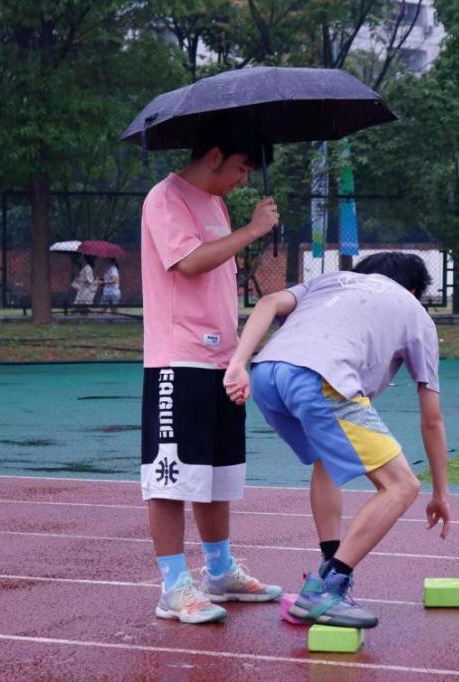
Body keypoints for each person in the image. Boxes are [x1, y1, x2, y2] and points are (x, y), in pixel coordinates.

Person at [223, 252, 451, 629]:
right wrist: (440, 493)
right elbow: (432, 419)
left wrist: (238, 364)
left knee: (325, 460)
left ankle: (328, 566)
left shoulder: (331, 281)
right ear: (414, 290)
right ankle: (329, 588)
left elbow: (267, 302)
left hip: (266, 374)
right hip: (320, 378)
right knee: (401, 486)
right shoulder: (415, 312)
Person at [140, 122, 283, 625]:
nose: (244, 180)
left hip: (223, 359)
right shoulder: (165, 198)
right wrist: (252, 230)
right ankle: (173, 585)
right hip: (177, 360)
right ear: (216, 155)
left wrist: (238, 355)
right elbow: (189, 262)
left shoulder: (217, 205)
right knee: (172, 475)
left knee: (217, 475)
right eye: (242, 168)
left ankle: (219, 571)